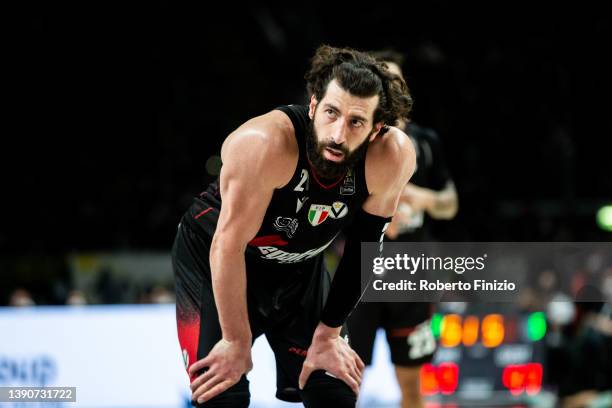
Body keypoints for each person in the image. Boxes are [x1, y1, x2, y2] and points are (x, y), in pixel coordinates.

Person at [171, 45, 416, 407]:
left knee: (335, 390)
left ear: (376, 128)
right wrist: (236, 342)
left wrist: (330, 334)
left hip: (300, 265)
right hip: (217, 257)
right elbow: (227, 244)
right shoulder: (265, 144)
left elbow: (364, 250)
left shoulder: (391, 156)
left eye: (355, 122)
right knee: (223, 392)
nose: (337, 134)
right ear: (314, 105)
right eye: (331, 113)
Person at [348, 49, 458, 408]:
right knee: (345, 380)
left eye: (397, 81)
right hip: (359, 274)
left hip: (412, 275)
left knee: (412, 384)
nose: (391, 88)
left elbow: (450, 204)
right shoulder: (353, 141)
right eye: (383, 82)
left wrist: (416, 196)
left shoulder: (427, 142)